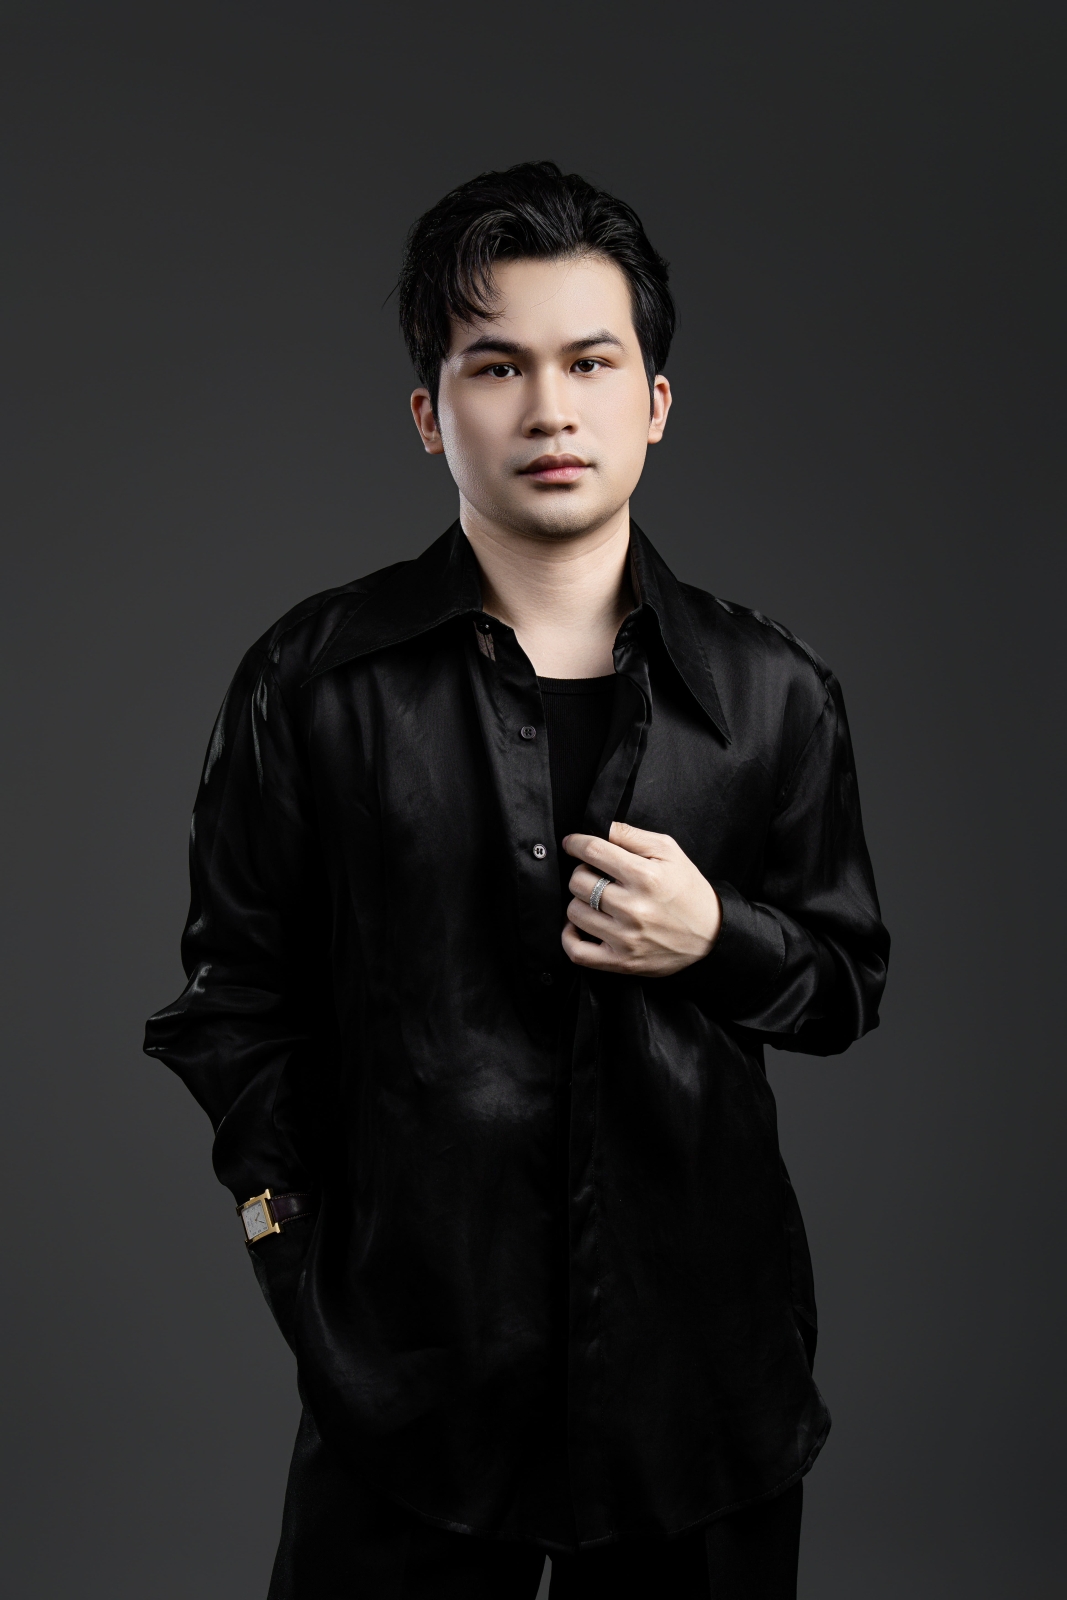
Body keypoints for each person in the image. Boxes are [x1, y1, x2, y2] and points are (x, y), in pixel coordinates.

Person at [145, 161, 889, 1598]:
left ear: (653, 403)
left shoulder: (773, 691)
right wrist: (297, 1257)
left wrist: (716, 937)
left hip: (702, 1388)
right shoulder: (313, 680)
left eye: (589, 363)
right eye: (498, 366)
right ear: (432, 414)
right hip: (407, 1393)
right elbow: (230, 1003)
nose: (550, 410)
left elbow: (846, 984)